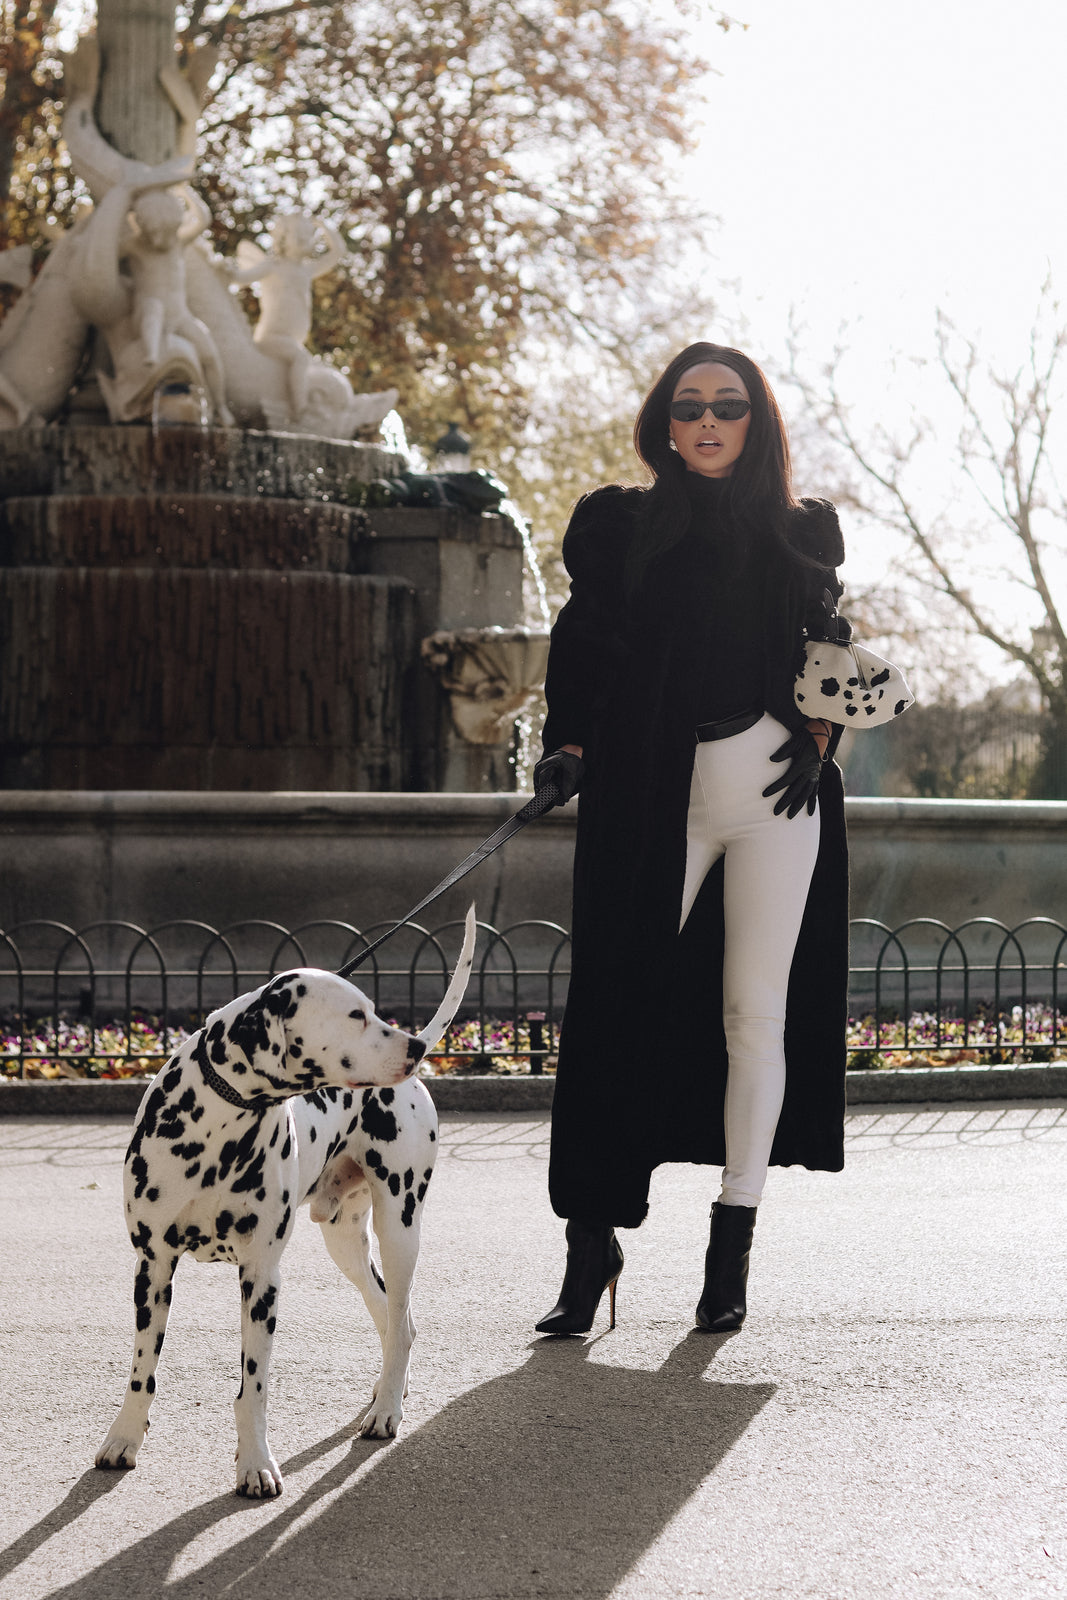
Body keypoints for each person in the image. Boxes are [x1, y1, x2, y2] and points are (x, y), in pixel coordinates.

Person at [533, 341, 850, 1336]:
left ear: (755, 421)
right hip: (649, 789)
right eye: (688, 407)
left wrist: (824, 731)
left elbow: (824, 649)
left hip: (774, 790)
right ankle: (590, 1248)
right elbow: (584, 643)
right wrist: (567, 745)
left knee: (753, 1015)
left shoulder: (799, 534)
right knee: (611, 1008)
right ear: (662, 423)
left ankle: (730, 1247)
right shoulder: (620, 527)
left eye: (727, 405)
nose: (707, 421)